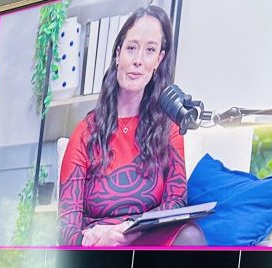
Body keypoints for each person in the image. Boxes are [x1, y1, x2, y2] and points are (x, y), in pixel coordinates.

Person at [57, 5, 205, 248]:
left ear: (159, 60)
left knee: (190, 235)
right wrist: (96, 239)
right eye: (131, 48)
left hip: (146, 240)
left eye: (149, 51)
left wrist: (128, 228)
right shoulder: (84, 132)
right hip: (99, 246)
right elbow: (66, 226)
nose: (138, 60)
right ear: (118, 54)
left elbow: (176, 201)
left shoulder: (169, 128)